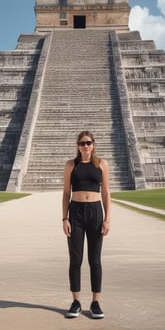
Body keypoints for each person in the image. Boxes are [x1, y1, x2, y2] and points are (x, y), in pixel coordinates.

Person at [62, 131, 111, 319]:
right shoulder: (71, 165)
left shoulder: (101, 164)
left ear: (94, 144)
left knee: (95, 260)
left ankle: (95, 302)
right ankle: (75, 302)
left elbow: (106, 193)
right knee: (75, 260)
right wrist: (64, 218)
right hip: (75, 213)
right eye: (82, 143)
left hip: (95, 213)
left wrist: (107, 219)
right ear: (78, 145)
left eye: (89, 143)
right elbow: (66, 192)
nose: (86, 146)